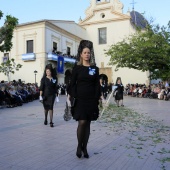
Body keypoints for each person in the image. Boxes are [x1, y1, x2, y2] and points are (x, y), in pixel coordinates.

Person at [69, 40, 100, 159]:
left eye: (89, 52)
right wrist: (72, 95)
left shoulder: (95, 69)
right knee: (82, 122)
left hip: (91, 100)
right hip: (80, 99)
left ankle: (85, 147)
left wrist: (98, 97)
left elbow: (97, 85)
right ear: (81, 54)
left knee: (88, 124)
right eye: (85, 52)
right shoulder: (77, 68)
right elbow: (72, 84)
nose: (87, 54)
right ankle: (79, 145)